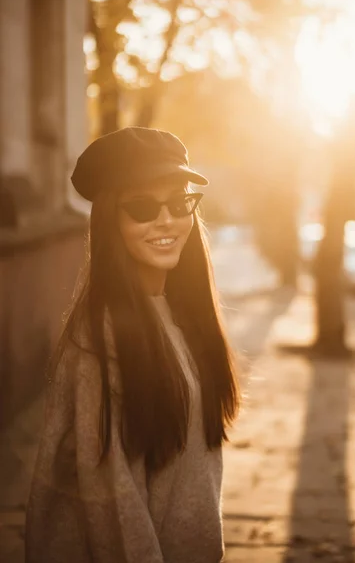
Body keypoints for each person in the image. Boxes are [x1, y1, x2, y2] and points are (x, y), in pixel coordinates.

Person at [25, 127, 241, 563]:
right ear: (111, 221)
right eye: (143, 207)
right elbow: (115, 510)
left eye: (179, 202)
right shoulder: (99, 343)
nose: (166, 220)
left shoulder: (184, 316)